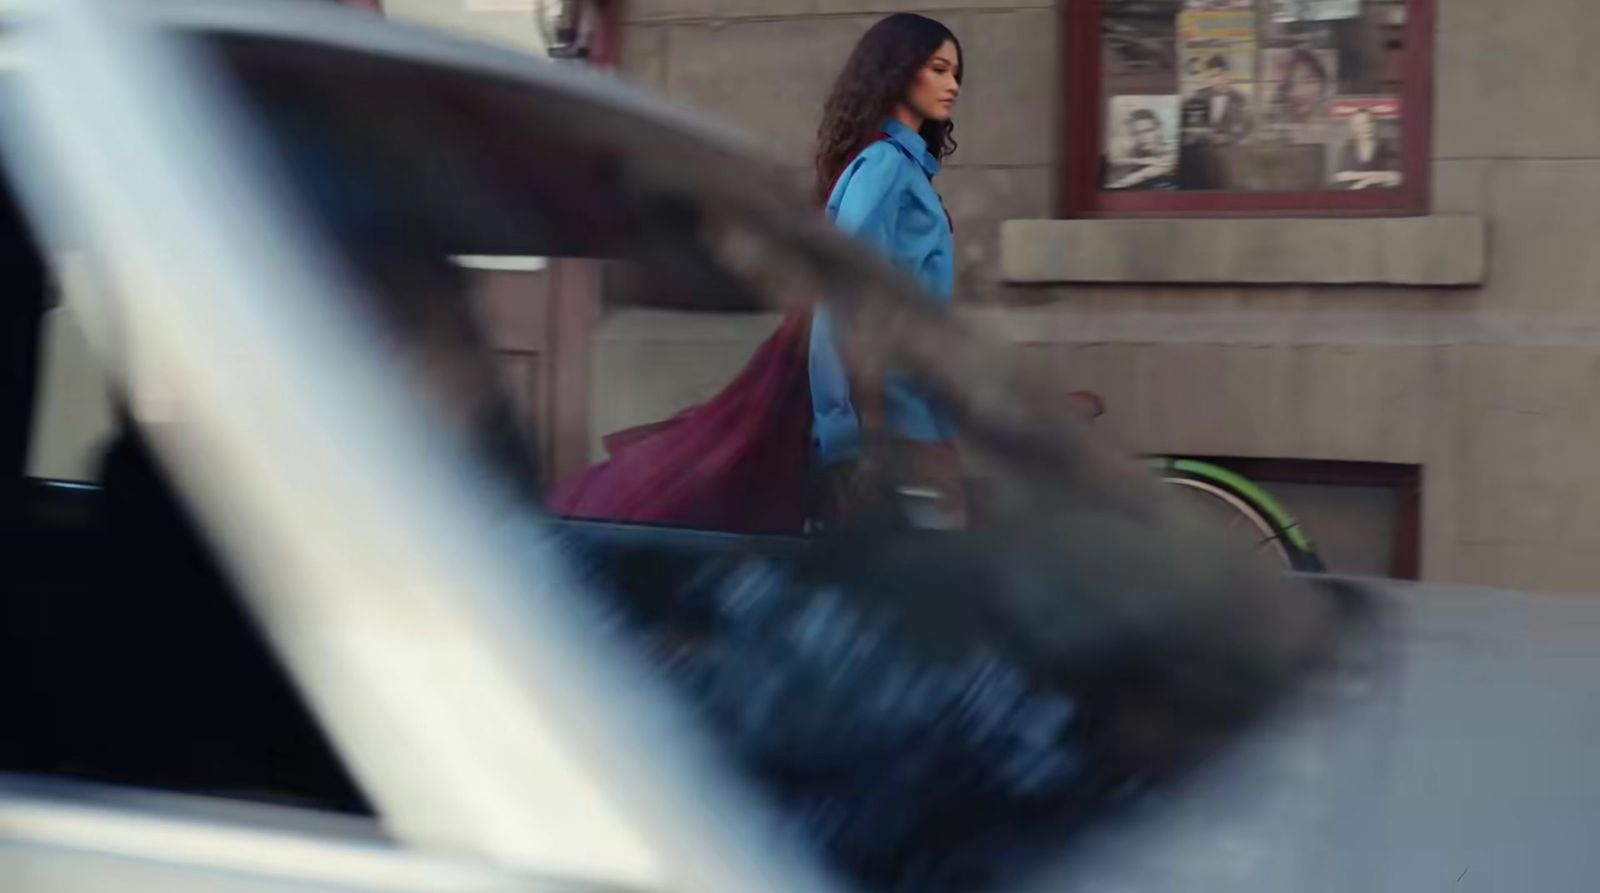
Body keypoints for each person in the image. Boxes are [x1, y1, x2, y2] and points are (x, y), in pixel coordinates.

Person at [810, 13, 966, 528]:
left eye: (956, 74)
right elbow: (847, 297)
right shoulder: (885, 167)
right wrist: (860, 435)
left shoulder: (905, 166)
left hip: (919, 408)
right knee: (931, 576)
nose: (953, 85)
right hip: (898, 424)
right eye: (939, 69)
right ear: (898, 71)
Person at [1105, 107, 1177, 190]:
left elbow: (1142, 176)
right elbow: (1111, 163)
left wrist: (1109, 188)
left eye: (1148, 131)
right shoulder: (1137, 151)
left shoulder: (1171, 151)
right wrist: (1140, 161)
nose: (1142, 137)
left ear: (1159, 129)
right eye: (1136, 133)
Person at [1332, 108, 1401, 189]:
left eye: (1369, 122)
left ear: (1376, 124)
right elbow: (1339, 177)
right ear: (1354, 128)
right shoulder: (1348, 148)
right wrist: (1373, 176)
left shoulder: (1388, 145)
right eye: (1360, 124)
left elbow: (1396, 176)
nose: (1367, 127)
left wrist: (1366, 181)